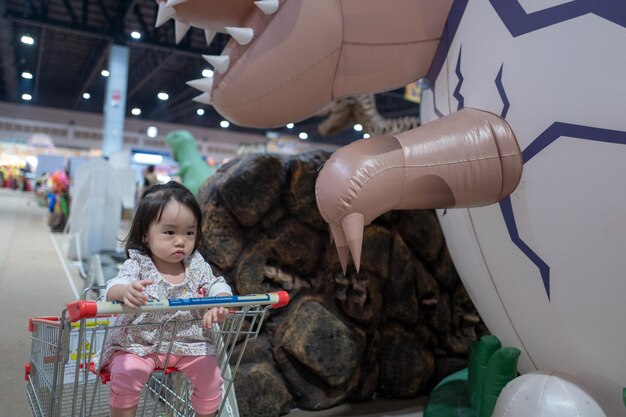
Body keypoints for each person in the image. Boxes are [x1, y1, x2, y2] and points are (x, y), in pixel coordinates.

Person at [99, 181, 232, 417]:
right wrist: (126, 291)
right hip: (139, 342)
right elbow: (114, 285)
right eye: (170, 232)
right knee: (126, 373)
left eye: (189, 232)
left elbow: (215, 284)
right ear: (145, 234)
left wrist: (221, 301)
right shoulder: (138, 263)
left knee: (211, 377)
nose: (180, 241)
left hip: (189, 341)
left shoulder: (196, 265)